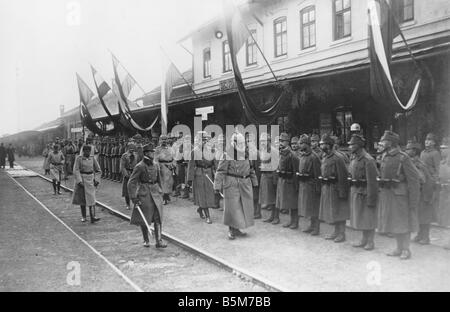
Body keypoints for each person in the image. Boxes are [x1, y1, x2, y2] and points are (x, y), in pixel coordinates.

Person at [377, 130, 420, 260]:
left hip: (400, 196)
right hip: (388, 194)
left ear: (390, 143)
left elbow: (414, 178)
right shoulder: (385, 156)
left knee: (403, 223)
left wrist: (413, 200)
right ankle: (398, 248)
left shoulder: (403, 157)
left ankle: (406, 249)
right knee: (393, 222)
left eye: (384, 141)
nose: (381, 143)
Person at [214, 132, 258, 240]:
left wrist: (255, 182)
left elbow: (251, 169)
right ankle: (231, 230)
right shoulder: (227, 155)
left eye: (243, 142)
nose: (242, 145)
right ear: (234, 143)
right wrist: (217, 186)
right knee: (232, 208)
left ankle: (237, 228)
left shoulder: (246, 154)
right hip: (231, 183)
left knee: (242, 207)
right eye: (240, 143)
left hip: (245, 183)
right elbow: (220, 171)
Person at [127, 143, 167, 248]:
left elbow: (159, 179)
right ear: (146, 153)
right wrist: (133, 197)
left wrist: (161, 191)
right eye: (150, 152)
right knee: (145, 217)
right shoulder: (139, 166)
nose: (152, 154)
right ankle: (146, 240)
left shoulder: (156, 165)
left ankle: (159, 241)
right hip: (144, 193)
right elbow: (131, 182)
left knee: (158, 217)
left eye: (153, 152)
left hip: (155, 192)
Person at [348, 134, 378, 250]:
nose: (350, 147)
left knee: (368, 218)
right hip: (357, 191)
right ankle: (364, 239)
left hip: (366, 192)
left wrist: (371, 198)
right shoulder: (354, 158)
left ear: (359, 145)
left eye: (352, 145)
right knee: (361, 217)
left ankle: (370, 241)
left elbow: (372, 181)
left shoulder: (368, 160)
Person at [318, 134, 349, 243]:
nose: (321, 146)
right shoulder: (324, 156)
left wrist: (342, 192)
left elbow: (343, 175)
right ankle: (336, 231)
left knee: (339, 211)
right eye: (321, 144)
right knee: (332, 211)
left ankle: (342, 233)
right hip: (327, 187)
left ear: (329, 145)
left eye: (323, 144)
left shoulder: (338, 158)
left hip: (336, 188)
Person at [406, 140, 435, 245]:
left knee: (424, 215)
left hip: (424, 192)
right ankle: (420, 234)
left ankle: (426, 237)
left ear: (414, 151)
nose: (406, 150)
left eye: (408, 149)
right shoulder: (411, 162)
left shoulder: (418, 164)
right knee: (418, 214)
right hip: (418, 192)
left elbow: (423, 179)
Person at [187, 134, 216, 224]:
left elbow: (215, 164)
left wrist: (216, 175)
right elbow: (191, 166)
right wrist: (189, 180)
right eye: (203, 140)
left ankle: (200, 209)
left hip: (209, 173)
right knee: (202, 195)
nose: (204, 142)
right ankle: (208, 216)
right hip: (199, 174)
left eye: (206, 140)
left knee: (208, 194)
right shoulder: (194, 151)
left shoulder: (211, 150)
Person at [296, 134, 321, 235]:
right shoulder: (302, 155)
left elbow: (317, 174)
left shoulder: (314, 157)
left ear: (307, 144)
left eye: (302, 143)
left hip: (311, 185)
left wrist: (318, 188)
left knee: (314, 207)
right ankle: (311, 225)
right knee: (308, 207)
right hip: (304, 184)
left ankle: (316, 227)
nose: (300, 145)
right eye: (300, 143)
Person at [418, 133, 441, 244]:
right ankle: (419, 234)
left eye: (430, 140)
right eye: (426, 140)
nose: (427, 142)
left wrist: (434, 183)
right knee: (419, 210)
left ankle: (426, 237)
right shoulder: (422, 153)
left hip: (429, 185)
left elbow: (437, 170)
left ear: (434, 142)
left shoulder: (435, 153)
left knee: (426, 210)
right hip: (421, 184)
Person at [72, 145, 101, 223]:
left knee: (91, 199)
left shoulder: (92, 158)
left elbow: (98, 170)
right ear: (83, 151)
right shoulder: (79, 158)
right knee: (83, 199)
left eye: (89, 151)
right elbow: (76, 170)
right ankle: (84, 216)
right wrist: (79, 181)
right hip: (82, 179)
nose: (88, 152)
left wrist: (97, 180)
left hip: (91, 179)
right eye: (86, 151)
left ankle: (93, 217)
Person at [278, 134, 299, 229]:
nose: (281, 143)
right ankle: (291, 220)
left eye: (282, 141)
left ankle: (295, 222)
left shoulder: (292, 155)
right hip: (284, 180)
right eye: (280, 141)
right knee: (289, 203)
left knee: (293, 203)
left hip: (291, 181)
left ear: (287, 142)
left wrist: (296, 185)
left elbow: (295, 171)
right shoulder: (282, 153)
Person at [259, 133, 278, 222]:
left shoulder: (273, 151)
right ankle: (271, 216)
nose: (262, 143)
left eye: (264, 141)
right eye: (261, 141)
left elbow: (275, 166)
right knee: (269, 197)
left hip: (271, 176)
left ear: (269, 141)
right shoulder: (263, 150)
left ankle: (276, 217)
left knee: (273, 197)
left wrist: (275, 181)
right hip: (264, 176)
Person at [155, 135, 175, 205]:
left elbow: (173, 158)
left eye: (165, 139)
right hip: (161, 166)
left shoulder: (170, 148)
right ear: (160, 140)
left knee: (169, 182)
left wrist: (173, 165)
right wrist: (158, 167)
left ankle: (167, 195)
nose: (164, 141)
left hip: (169, 166)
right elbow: (155, 159)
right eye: (162, 139)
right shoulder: (158, 149)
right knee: (163, 182)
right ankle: (164, 197)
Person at [120, 143, 138, 210]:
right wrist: (126, 174)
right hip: (127, 172)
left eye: (133, 148)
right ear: (128, 148)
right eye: (130, 148)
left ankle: (135, 203)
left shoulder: (136, 155)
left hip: (134, 173)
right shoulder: (124, 156)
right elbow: (122, 166)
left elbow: (138, 164)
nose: (131, 150)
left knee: (135, 189)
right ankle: (127, 204)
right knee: (126, 190)